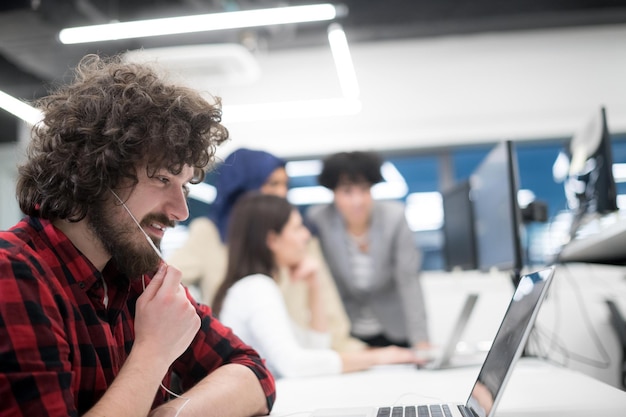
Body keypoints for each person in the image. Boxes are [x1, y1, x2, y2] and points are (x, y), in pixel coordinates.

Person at [0, 54, 275, 417]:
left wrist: (169, 415)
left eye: (184, 185)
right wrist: (153, 351)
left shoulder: (138, 275)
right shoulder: (13, 273)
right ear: (94, 172)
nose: (180, 211)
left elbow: (253, 374)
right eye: (162, 179)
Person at [167, 147, 365, 352]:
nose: (282, 193)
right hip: (240, 359)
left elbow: (329, 307)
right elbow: (168, 283)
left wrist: (349, 353)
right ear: (243, 187)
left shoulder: (301, 235)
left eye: (285, 185)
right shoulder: (209, 234)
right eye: (273, 184)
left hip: (307, 354)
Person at [212, 193, 422, 378]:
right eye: (296, 228)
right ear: (273, 240)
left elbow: (316, 348)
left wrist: (314, 285)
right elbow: (294, 365)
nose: (306, 235)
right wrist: (378, 356)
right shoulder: (256, 288)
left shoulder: (259, 287)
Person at [306, 151, 430, 350]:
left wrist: (421, 341)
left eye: (364, 190)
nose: (357, 201)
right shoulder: (319, 220)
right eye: (347, 191)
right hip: (348, 332)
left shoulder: (395, 217)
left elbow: (409, 281)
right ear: (333, 192)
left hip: (396, 330)